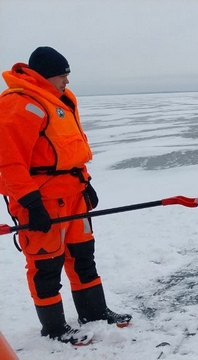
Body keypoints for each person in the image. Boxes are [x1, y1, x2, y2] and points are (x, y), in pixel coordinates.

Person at [0, 46, 131, 345]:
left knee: (83, 256)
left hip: (74, 196)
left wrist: (86, 184)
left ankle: (95, 313)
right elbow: (9, 162)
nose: (67, 82)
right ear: (46, 75)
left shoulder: (60, 101)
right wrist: (30, 203)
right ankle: (54, 328)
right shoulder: (20, 103)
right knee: (46, 265)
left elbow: (68, 150)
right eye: (63, 75)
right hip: (41, 200)